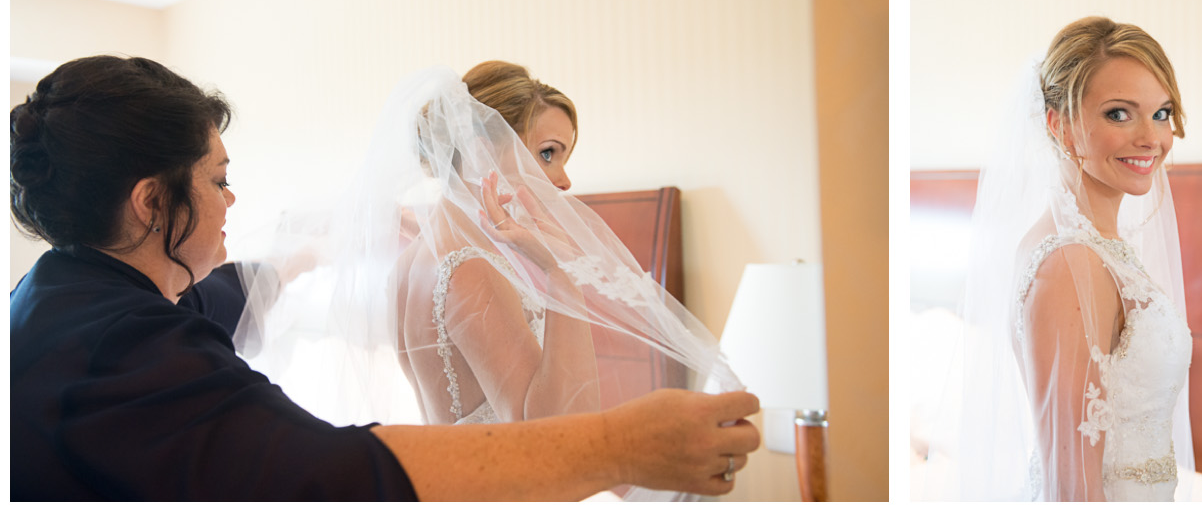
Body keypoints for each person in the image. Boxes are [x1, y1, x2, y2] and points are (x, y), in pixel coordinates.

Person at [9, 55, 760, 501]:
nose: (232, 200)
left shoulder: (62, 295)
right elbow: (330, 469)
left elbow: (214, 299)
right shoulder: (126, 351)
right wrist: (623, 444)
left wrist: (320, 246)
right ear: (150, 202)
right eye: (218, 178)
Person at [232, 61, 751, 501]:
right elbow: (555, 439)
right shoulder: (468, 266)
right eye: (548, 153)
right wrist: (561, 274)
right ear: (484, 146)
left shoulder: (419, 255)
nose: (565, 180)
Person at [924, 17, 1195, 501]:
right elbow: (1071, 486)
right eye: (1119, 114)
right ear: (1060, 124)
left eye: (1161, 112)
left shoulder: (1096, 246)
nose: (1152, 138)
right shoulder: (1069, 262)